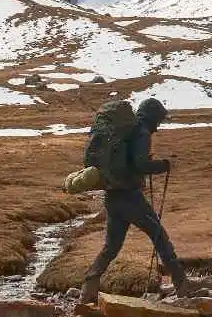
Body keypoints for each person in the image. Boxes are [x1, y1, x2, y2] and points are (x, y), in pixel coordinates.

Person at [79, 98, 196, 303]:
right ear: (151, 117)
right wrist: (162, 165)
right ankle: (182, 284)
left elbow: (132, 163)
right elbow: (140, 165)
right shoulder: (141, 133)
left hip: (112, 197)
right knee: (158, 234)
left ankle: (88, 287)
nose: (158, 127)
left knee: (111, 247)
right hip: (129, 197)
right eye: (158, 121)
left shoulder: (129, 134)